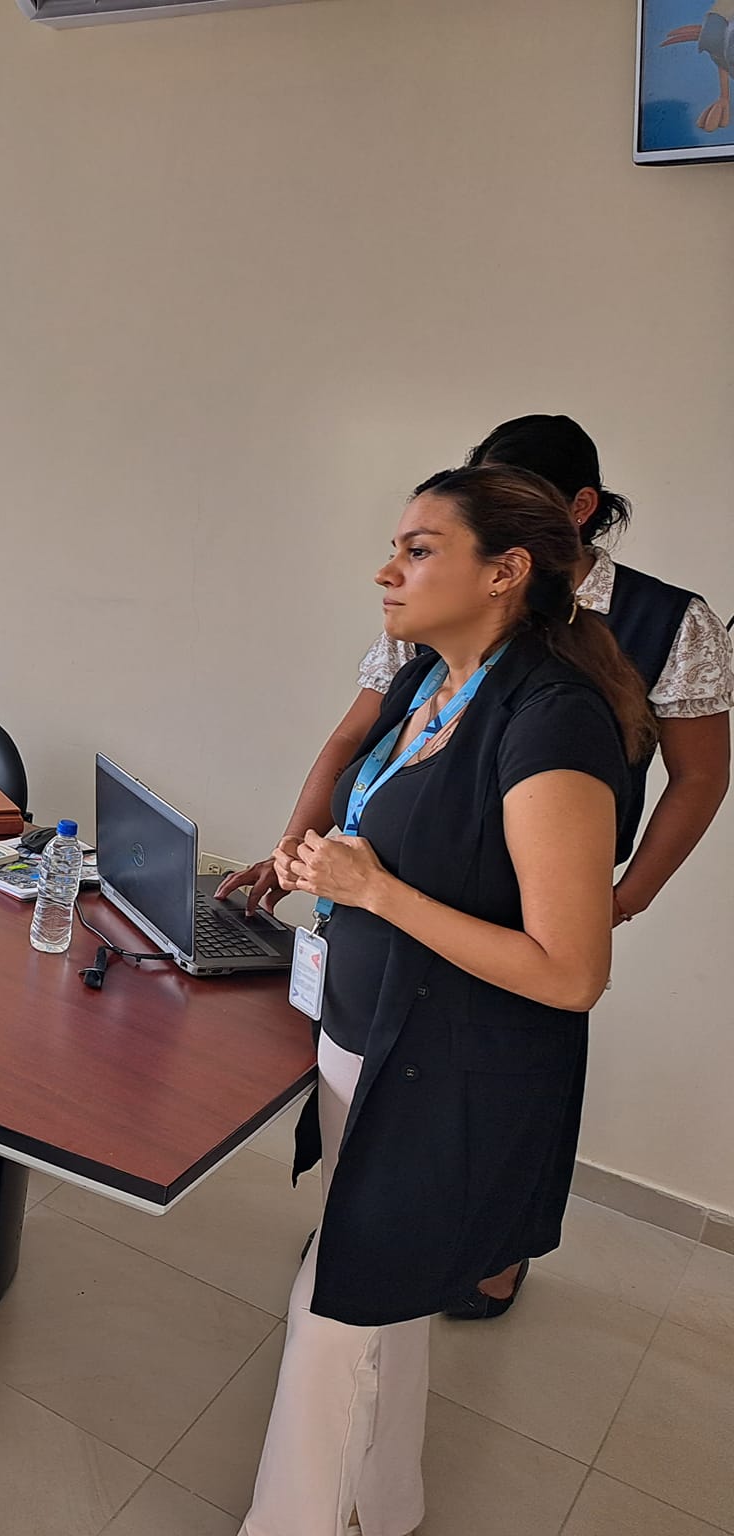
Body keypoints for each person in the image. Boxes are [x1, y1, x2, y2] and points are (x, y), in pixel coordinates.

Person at [221, 415, 730, 1317]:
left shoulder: (641, 637)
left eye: (420, 547)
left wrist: (623, 898)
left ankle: (479, 1253)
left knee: (493, 1095)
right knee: (395, 1156)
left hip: (518, 899)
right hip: (406, 909)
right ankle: (389, 1238)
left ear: (566, 517)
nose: (393, 570)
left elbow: (698, 776)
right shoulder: (437, 638)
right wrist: (300, 847)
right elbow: (356, 741)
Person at [241, 466, 651, 1536]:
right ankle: (386, 1505)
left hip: (448, 1070)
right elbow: (404, 835)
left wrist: (375, 890)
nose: (387, 570)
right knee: (378, 1300)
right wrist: (318, 869)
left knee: (337, 1310)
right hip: (369, 1039)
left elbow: (571, 970)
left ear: (505, 572)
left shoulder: (552, 722)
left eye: (418, 550)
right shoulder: (431, 682)